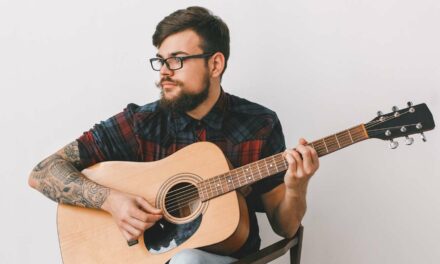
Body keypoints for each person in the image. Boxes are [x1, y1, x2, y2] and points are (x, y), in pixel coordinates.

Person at [28, 6, 319, 264]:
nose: (163, 73)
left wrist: (296, 187)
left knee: (188, 260)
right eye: (160, 60)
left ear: (215, 64)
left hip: (225, 257)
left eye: (177, 60)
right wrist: (110, 200)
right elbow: (42, 172)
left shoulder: (259, 124)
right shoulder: (141, 122)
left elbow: (285, 227)